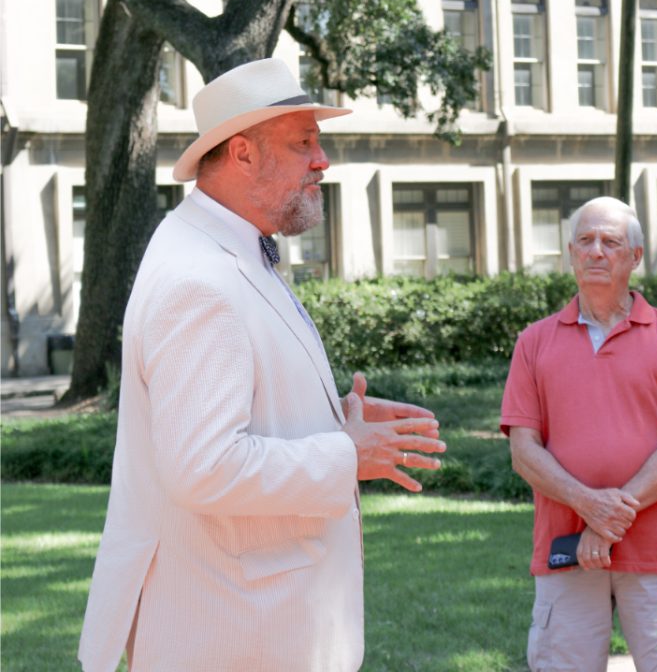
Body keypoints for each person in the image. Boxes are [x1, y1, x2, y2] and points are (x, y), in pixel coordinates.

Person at [78, 58, 446, 672]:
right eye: (304, 142)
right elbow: (205, 467)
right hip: (237, 635)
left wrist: (338, 418)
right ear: (243, 154)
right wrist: (348, 454)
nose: (322, 160)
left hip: (256, 624)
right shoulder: (201, 277)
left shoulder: (227, 249)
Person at [500, 195, 657, 672]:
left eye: (610, 241)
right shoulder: (533, 342)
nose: (596, 251)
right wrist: (588, 505)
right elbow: (524, 451)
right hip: (567, 551)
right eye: (585, 240)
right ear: (570, 252)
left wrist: (603, 521)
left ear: (635, 257)